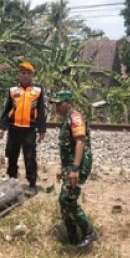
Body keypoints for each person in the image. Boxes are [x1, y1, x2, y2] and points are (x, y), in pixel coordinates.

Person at [51, 90, 97, 249]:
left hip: (78, 165)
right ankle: (72, 238)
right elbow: (67, 147)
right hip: (70, 166)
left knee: (67, 199)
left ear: (68, 103)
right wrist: (63, 168)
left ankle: (88, 232)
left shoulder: (75, 118)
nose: (56, 107)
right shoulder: (67, 119)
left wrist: (75, 169)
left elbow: (79, 142)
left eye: (59, 104)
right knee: (64, 201)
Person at [0, 61, 46, 189]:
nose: (25, 76)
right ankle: (11, 178)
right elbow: (7, 109)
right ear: (19, 75)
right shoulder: (13, 91)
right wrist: (2, 127)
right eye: (23, 73)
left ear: (32, 76)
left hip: (29, 130)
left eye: (28, 74)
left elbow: (41, 111)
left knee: (30, 157)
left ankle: (32, 182)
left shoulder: (37, 91)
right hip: (14, 128)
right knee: (12, 154)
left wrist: (42, 130)